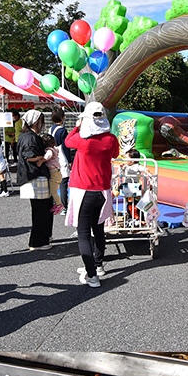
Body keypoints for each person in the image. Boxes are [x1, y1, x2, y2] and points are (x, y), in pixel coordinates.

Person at [65, 102, 119, 288]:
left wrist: (78, 125)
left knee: (83, 234)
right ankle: (98, 265)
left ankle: (92, 275)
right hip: (103, 191)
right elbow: (115, 153)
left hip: (83, 191)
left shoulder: (82, 139)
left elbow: (66, 141)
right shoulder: (111, 139)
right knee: (98, 230)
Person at [16, 110, 54, 251]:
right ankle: (38, 241)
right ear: (36, 121)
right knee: (41, 210)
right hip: (36, 177)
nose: (42, 124)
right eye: (41, 121)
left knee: (42, 209)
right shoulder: (30, 137)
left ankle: (43, 238)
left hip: (34, 177)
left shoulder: (26, 135)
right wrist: (41, 159)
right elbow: (29, 155)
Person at [48, 108, 72, 215]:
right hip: (61, 155)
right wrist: (70, 160)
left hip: (52, 155)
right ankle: (63, 205)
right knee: (63, 181)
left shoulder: (50, 129)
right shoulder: (62, 131)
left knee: (53, 179)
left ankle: (54, 203)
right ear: (62, 117)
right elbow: (66, 146)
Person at [40, 133, 64, 215]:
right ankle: (56, 204)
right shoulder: (54, 149)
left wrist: (42, 160)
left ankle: (59, 204)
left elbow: (48, 156)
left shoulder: (49, 151)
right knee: (53, 190)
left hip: (54, 173)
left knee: (53, 190)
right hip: (56, 172)